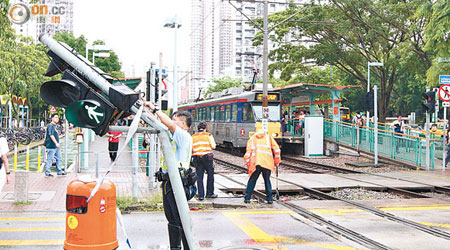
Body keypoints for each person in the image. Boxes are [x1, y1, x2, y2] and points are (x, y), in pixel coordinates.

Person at [142, 100, 193, 250]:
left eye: (175, 120)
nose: (172, 122)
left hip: (177, 182)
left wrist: (155, 108)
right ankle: (175, 247)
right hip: (169, 182)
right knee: (171, 218)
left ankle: (186, 246)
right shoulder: (175, 136)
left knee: (178, 218)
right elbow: (163, 123)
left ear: (183, 124)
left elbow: (169, 124)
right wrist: (146, 110)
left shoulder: (183, 136)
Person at [243, 129, 281, 204]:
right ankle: (270, 199)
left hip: (256, 163)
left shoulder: (252, 139)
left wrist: (248, 163)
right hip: (267, 163)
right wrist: (277, 161)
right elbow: (277, 150)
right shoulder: (268, 138)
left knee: (252, 180)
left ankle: (247, 198)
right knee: (267, 180)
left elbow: (248, 153)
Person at [192, 121, 217, 201]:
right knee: (210, 175)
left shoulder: (193, 137)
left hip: (197, 158)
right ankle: (209, 193)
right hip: (207, 158)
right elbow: (213, 146)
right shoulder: (208, 135)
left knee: (199, 177)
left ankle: (201, 195)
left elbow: (191, 148)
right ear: (205, 128)